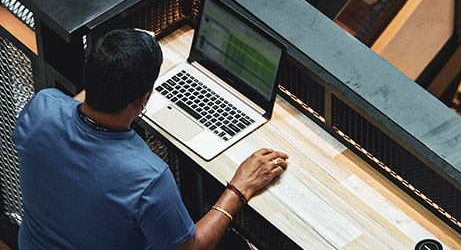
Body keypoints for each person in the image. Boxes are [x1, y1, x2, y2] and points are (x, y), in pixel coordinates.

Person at [12, 29, 288, 249]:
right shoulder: (147, 179)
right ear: (142, 100)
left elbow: (79, 103)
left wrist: (117, 58)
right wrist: (240, 188)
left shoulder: (41, 109)